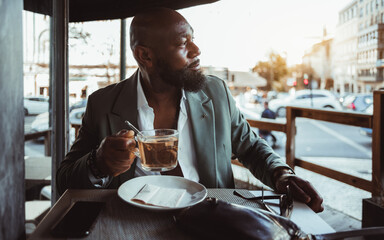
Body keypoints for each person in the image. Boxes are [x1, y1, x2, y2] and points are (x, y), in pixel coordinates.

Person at [56, 7, 323, 213]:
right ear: (144, 56)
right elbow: (64, 178)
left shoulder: (216, 93)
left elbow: (251, 148)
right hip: (133, 219)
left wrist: (282, 174)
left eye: (193, 39)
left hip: (211, 217)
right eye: (184, 44)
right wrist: (98, 163)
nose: (197, 50)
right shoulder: (103, 104)